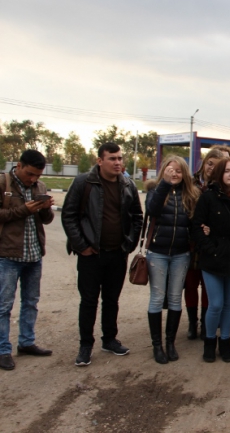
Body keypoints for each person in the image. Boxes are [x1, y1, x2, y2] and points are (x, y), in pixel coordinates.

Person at [61, 142, 143, 367]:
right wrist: (82, 246)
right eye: (112, 159)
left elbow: (137, 217)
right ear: (100, 161)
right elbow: (69, 216)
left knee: (111, 300)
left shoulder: (127, 184)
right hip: (90, 255)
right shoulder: (83, 183)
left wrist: (129, 244)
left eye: (120, 158)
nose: (118, 163)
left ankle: (110, 339)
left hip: (117, 254)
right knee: (89, 301)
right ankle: (85, 345)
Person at [192, 157, 230, 363]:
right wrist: (211, 249)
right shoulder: (208, 197)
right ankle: (210, 341)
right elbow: (197, 227)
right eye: (227, 171)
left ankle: (225, 341)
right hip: (213, 260)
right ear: (219, 174)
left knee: (228, 304)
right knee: (216, 304)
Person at [0, 150, 54, 371]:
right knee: (4, 306)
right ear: (19, 166)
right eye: (30, 174)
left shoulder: (39, 187)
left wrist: (46, 209)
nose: (33, 179)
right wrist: (23, 210)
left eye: (37, 175)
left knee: (31, 302)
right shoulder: (3, 183)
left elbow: (47, 221)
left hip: (33, 254)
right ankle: (3, 350)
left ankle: (26, 342)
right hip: (8, 255)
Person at [145, 156, 200, 364]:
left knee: (176, 297)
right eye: (171, 170)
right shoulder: (155, 190)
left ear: (184, 173)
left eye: (178, 171)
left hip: (181, 253)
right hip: (157, 252)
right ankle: (157, 345)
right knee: (157, 298)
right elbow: (152, 210)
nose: (175, 174)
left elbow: (194, 222)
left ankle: (170, 343)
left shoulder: (191, 194)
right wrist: (164, 184)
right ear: (164, 171)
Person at [185, 147, 227, 341]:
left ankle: (204, 322)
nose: (211, 168)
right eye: (210, 163)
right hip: (190, 242)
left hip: (210, 243)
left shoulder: (221, 187)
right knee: (191, 283)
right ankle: (192, 323)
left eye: (216, 166)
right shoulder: (189, 182)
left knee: (208, 286)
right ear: (204, 162)